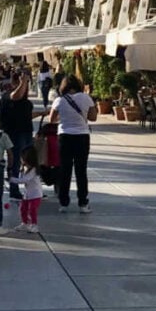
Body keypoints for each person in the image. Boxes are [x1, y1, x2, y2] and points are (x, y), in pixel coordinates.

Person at [48, 74, 96, 213]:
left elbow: (52, 119)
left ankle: (63, 202)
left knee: (65, 170)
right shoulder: (86, 98)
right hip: (82, 136)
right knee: (81, 170)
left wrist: (65, 119)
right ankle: (83, 203)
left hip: (64, 136)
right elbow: (93, 117)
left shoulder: (59, 100)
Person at [0, 72, 34, 200]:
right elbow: (15, 96)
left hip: (26, 132)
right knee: (15, 162)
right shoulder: (7, 96)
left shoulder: (25, 101)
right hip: (14, 133)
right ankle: (14, 189)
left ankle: (31, 189)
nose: (26, 87)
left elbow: (28, 114)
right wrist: (23, 80)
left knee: (29, 161)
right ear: (15, 83)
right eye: (24, 84)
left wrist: (43, 112)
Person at [10, 147, 42, 233]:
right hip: (27, 195)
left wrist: (11, 179)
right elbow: (22, 178)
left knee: (32, 210)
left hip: (35, 195)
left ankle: (34, 225)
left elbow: (24, 180)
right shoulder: (26, 169)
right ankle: (25, 223)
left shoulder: (33, 170)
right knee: (23, 208)